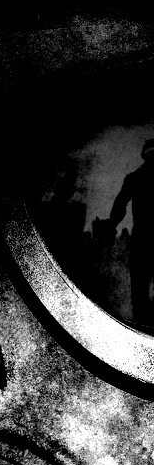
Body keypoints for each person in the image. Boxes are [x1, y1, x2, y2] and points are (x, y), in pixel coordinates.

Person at [109, 139, 154, 325]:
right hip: (144, 239)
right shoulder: (134, 177)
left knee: (139, 291)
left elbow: (120, 205)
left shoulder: (135, 177)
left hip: (141, 239)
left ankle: (143, 325)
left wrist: (112, 224)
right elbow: (120, 206)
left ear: (144, 155)